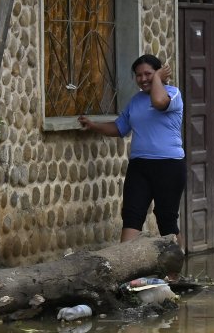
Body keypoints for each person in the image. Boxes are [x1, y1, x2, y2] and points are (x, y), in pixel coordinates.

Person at [79, 54, 186, 250]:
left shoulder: (173, 94)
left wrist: (158, 79)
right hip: (139, 166)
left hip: (169, 166)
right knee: (131, 215)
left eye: (148, 74)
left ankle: (175, 271)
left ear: (160, 73)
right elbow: (120, 128)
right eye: (138, 75)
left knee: (166, 219)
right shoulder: (135, 101)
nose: (143, 79)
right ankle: (125, 270)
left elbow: (159, 102)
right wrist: (93, 125)